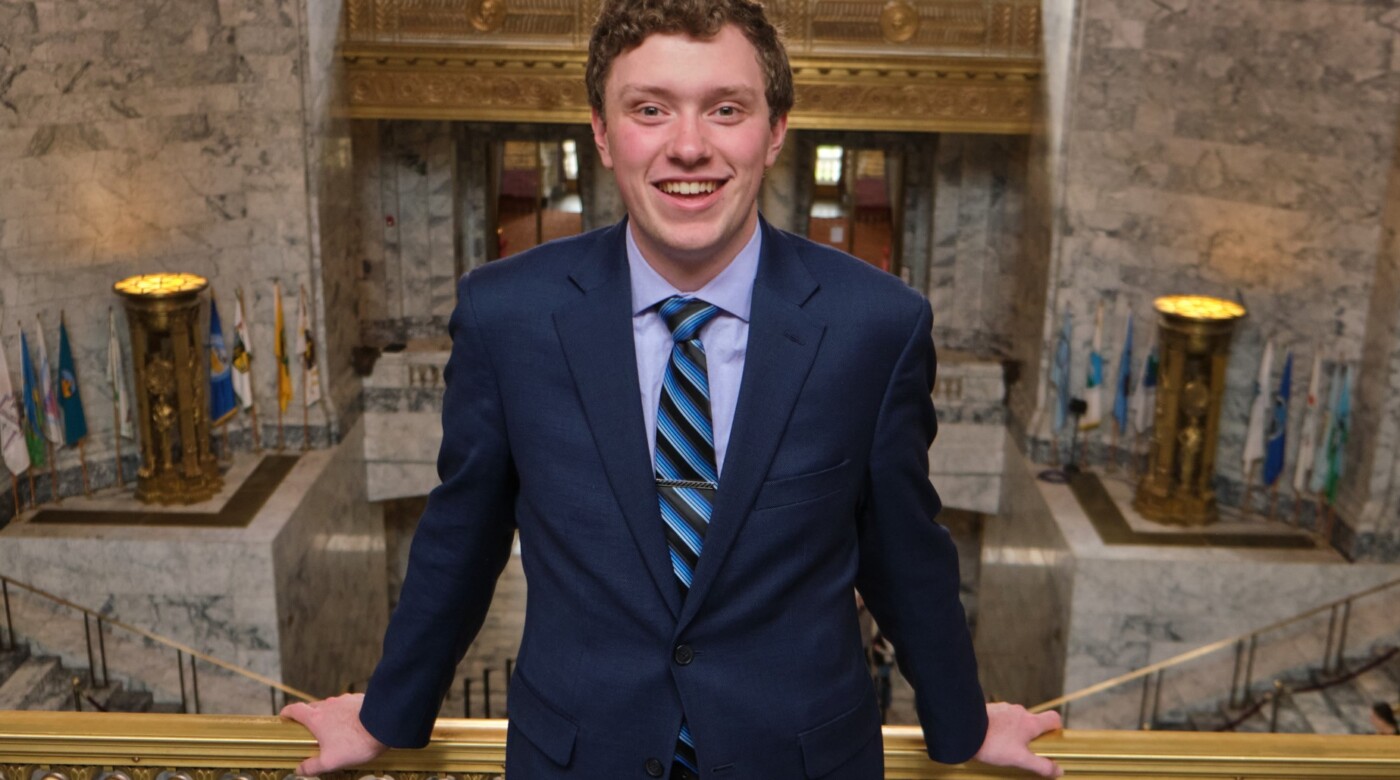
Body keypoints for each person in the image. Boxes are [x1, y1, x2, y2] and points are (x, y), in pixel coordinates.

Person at [282, 1, 1063, 777]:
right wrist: (387, 712)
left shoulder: (876, 325)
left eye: (726, 109)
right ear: (601, 129)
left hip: (800, 761)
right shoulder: (506, 314)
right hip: (579, 759)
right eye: (649, 109)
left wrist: (962, 724)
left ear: (776, 128)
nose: (689, 147)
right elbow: (463, 534)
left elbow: (903, 550)